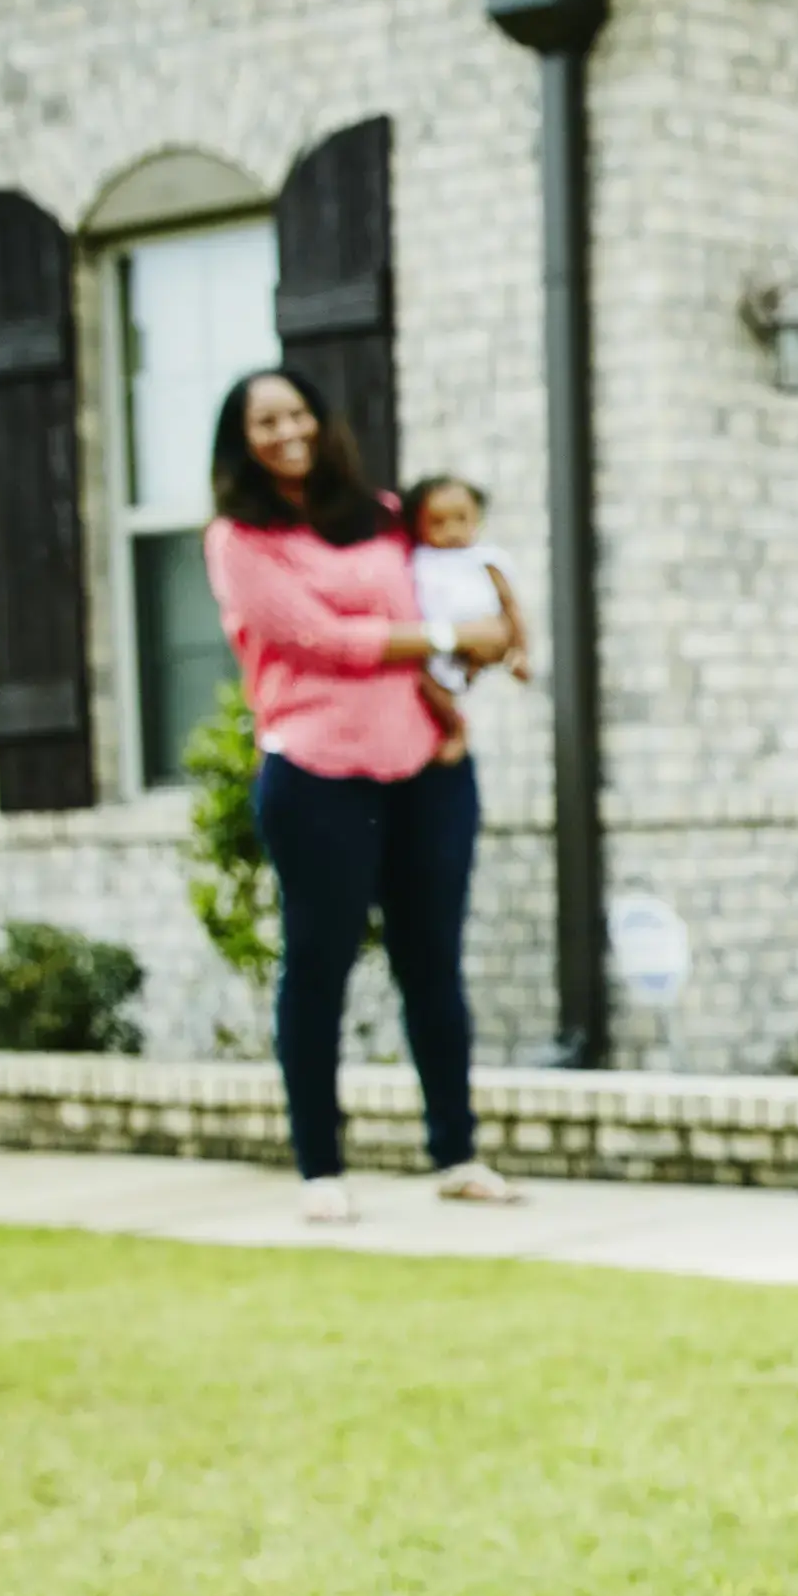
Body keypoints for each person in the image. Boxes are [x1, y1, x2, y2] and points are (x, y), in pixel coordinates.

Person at [203, 372, 523, 1223]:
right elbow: (320, 639)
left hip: (426, 770)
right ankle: (320, 1165)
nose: (287, 431)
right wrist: (456, 635)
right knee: (318, 969)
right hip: (317, 777)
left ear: (322, 418)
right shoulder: (239, 538)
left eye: (298, 412)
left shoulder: (382, 512)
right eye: (265, 421)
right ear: (243, 439)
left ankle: (456, 1151)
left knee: (434, 968)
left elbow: (445, 588)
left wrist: (476, 659)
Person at [403, 474, 528, 732]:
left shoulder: (485, 559)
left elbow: (510, 604)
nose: (451, 532)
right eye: (437, 522)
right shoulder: (418, 560)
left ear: (477, 518)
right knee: (426, 684)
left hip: (483, 638)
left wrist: (521, 651)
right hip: (433, 644)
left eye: (461, 519)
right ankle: (453, 727)